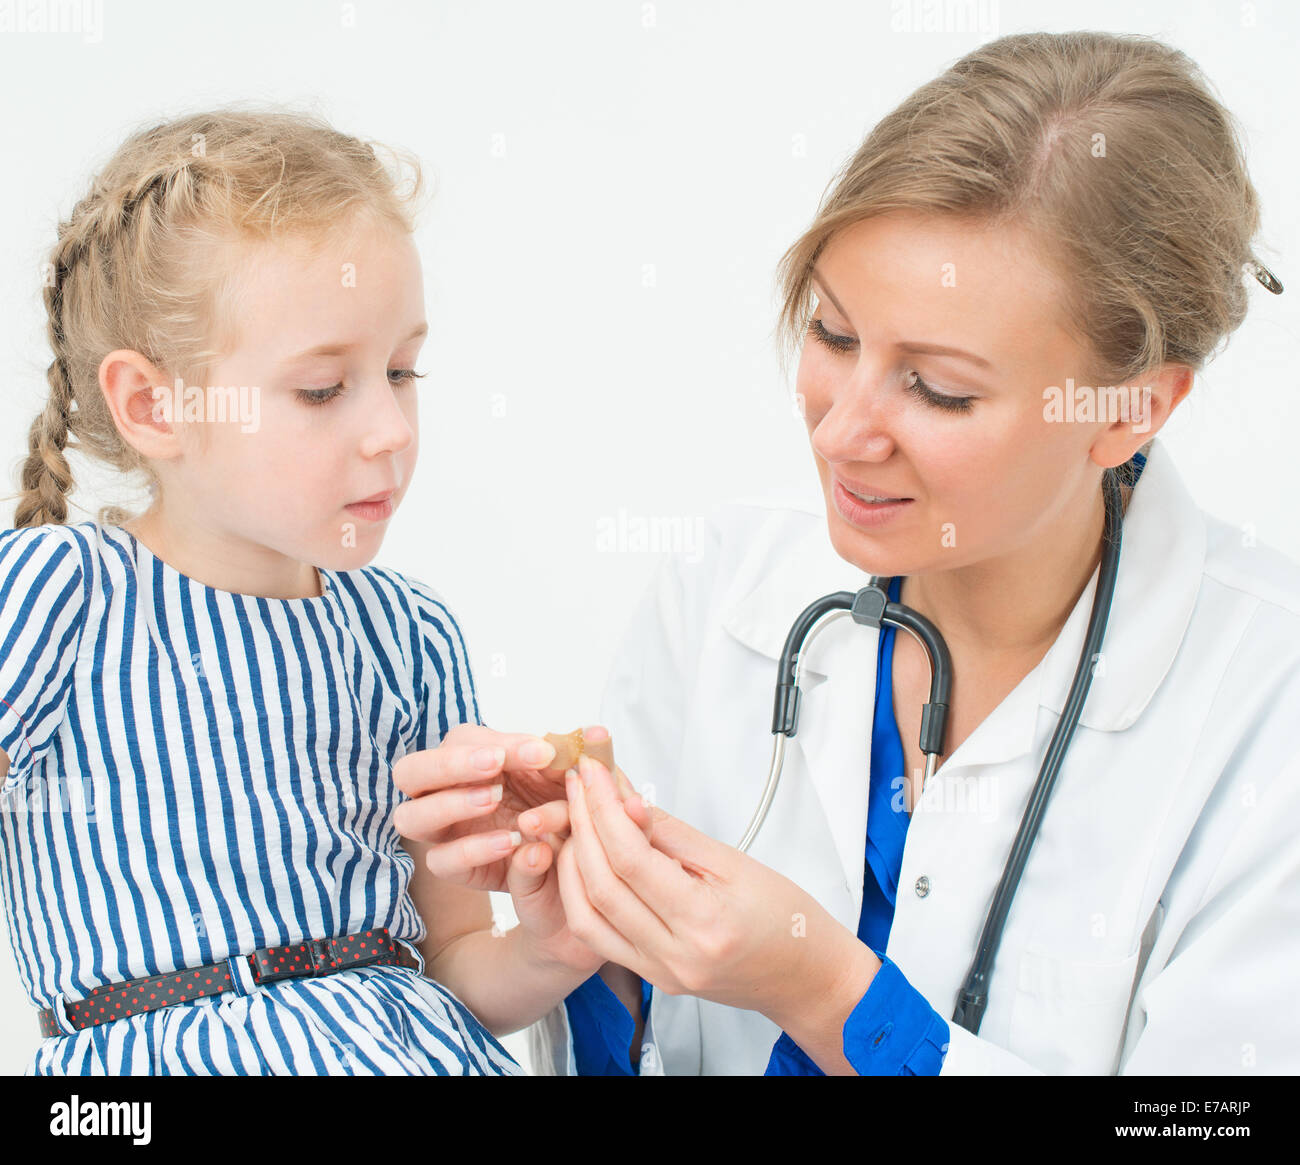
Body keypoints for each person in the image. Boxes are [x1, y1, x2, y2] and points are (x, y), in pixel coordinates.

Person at [393, 30, 1300, 1075]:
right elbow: (620, 1047)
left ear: (1126, 412)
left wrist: (825, 990)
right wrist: (586, 923)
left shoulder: (1265, 718)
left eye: (939, 389)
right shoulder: (724, 583)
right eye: (831, 336)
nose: (839, 432)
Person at [0, 108, 572, 1075]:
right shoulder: (62, 595)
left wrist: (556, 943)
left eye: (402, 370)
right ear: (155, 406)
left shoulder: (409, 634)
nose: (390, 428)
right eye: (321, 390)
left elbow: (456, 963)